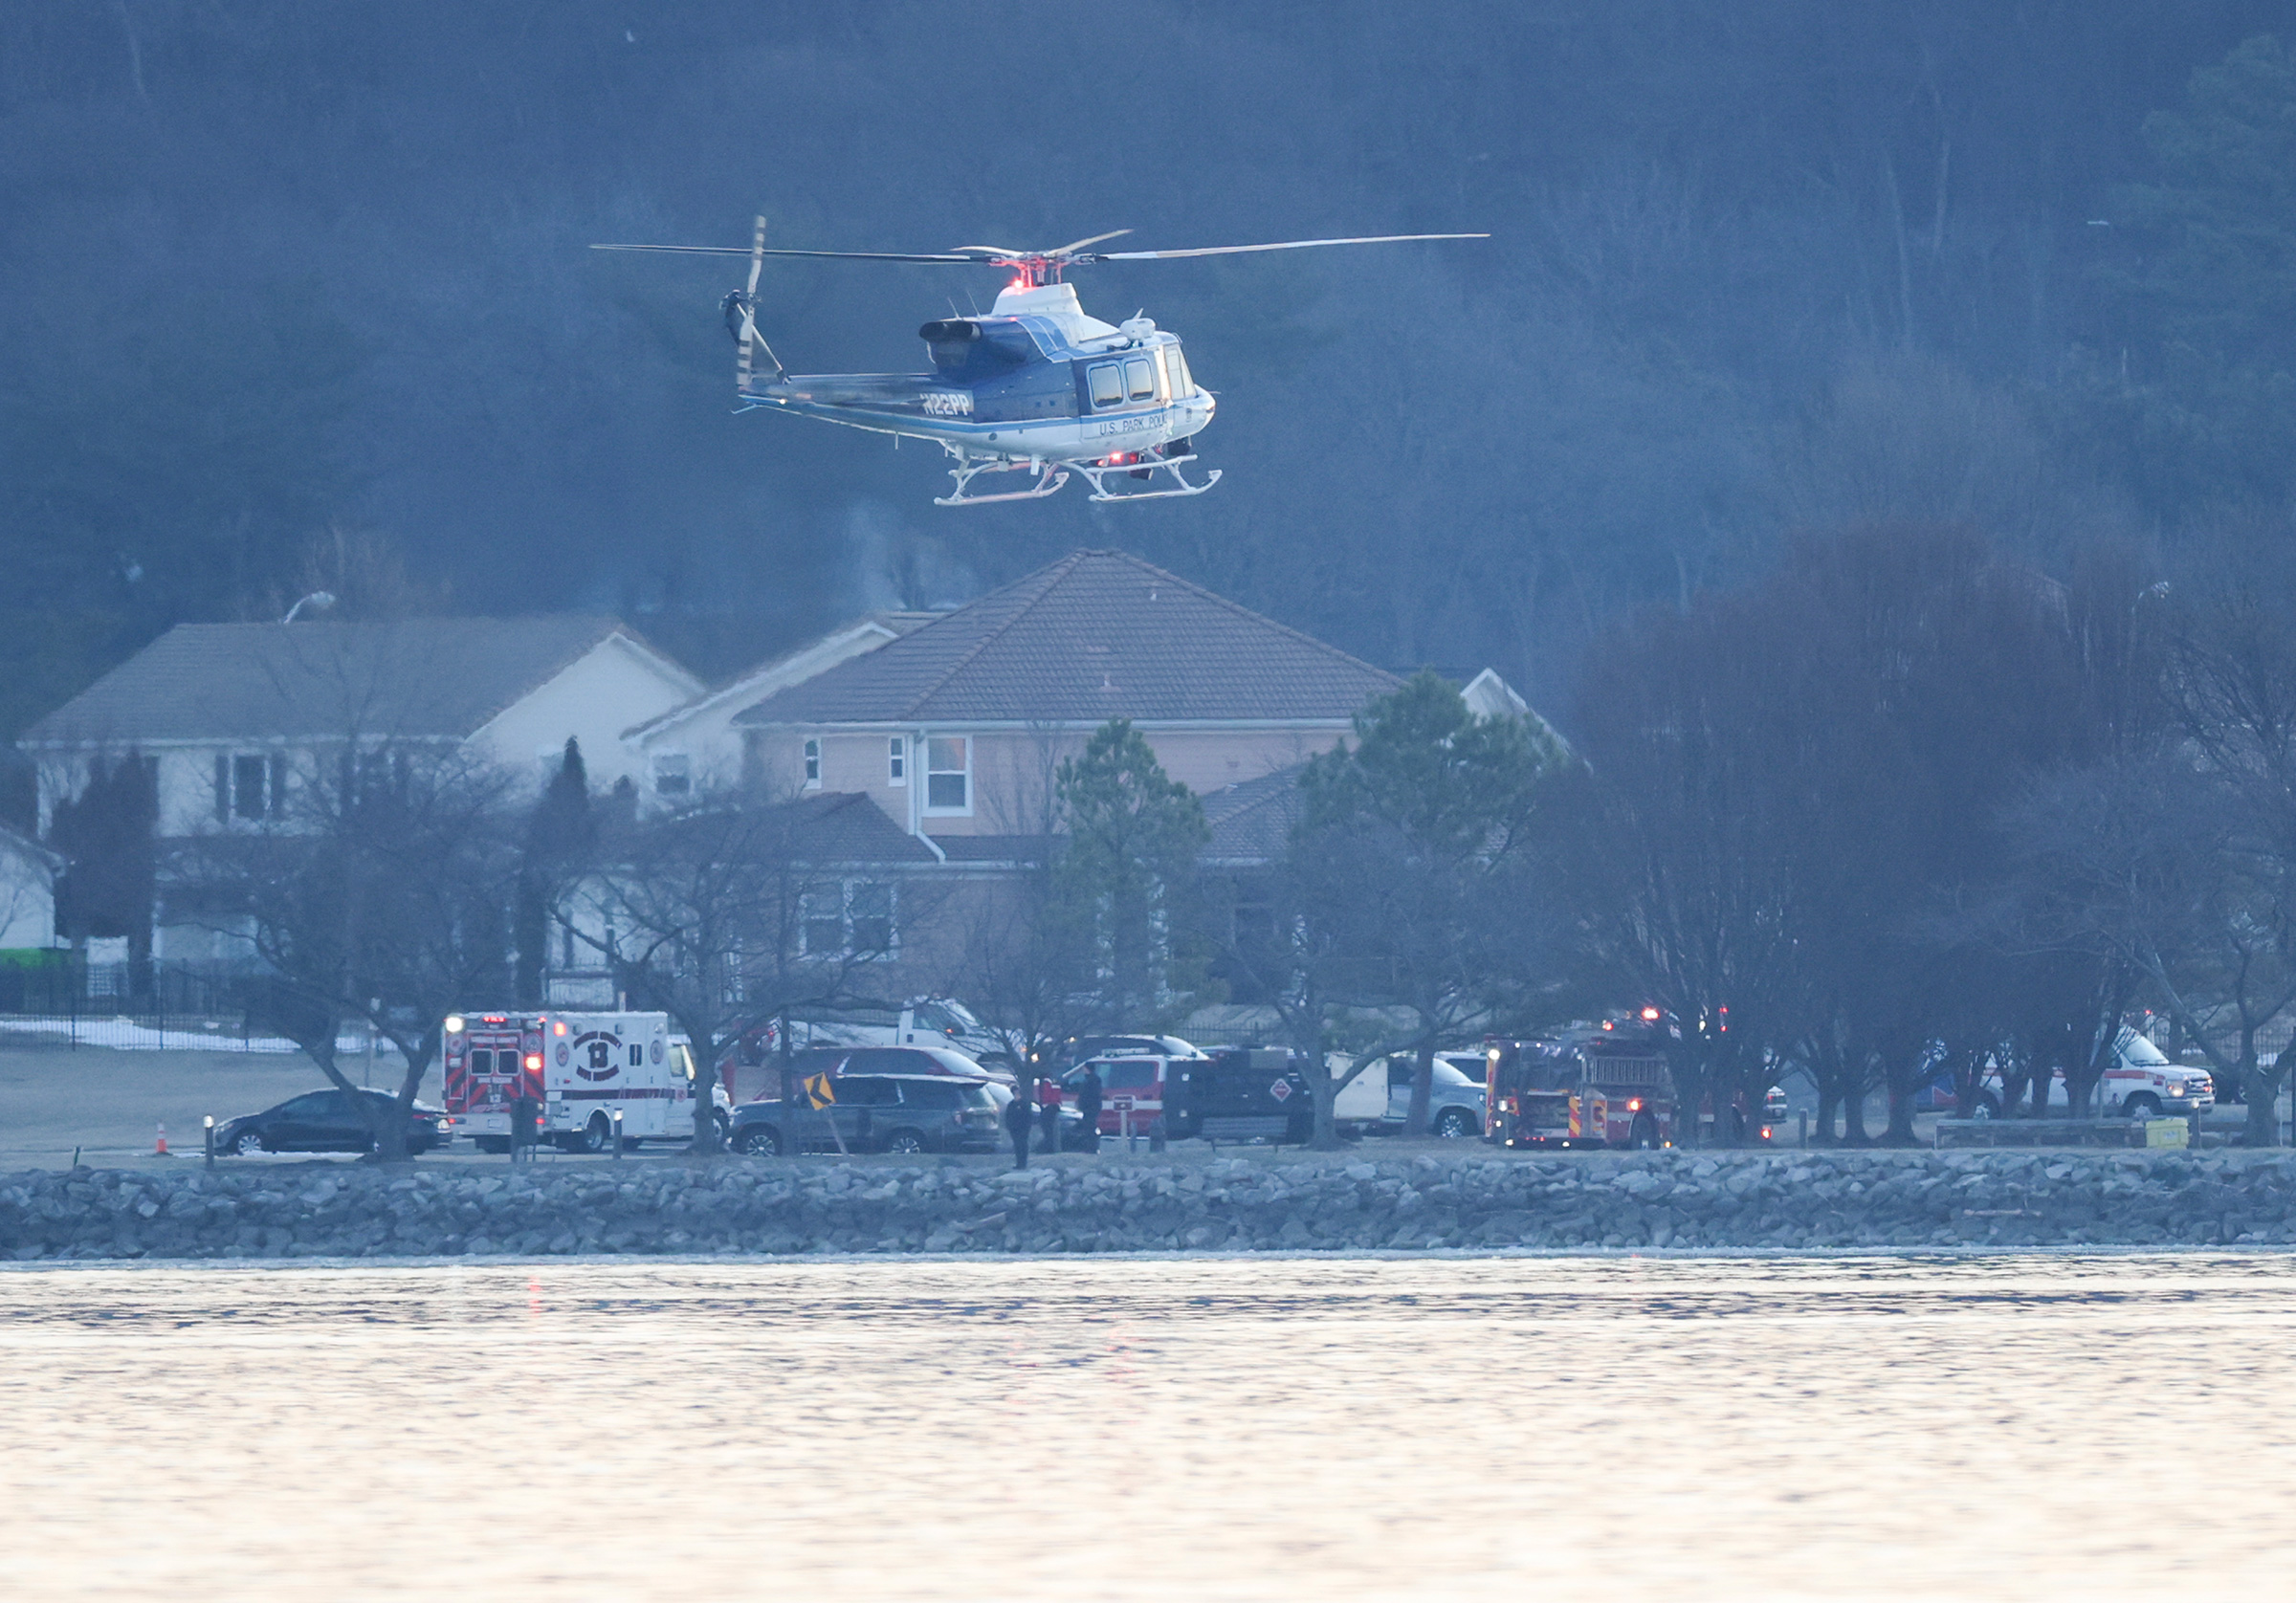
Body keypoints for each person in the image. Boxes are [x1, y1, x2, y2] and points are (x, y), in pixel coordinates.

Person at [1072, 1069, 1104, 1153]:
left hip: (1090, 1108)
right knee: (1089, 1127)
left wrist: (1083, 1104)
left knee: (1089, 1127)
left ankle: (1091, 1148)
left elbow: (1088, 1095)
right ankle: (1090, 1147)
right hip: (1091, 1107)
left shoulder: (1091, 1080)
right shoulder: (1094, 1080)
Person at [1004, 1084, 1035, 1170]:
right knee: (1017, 1146)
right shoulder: (1011, 1105)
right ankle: (1019, 1163)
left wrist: (1027, 1127)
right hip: (1014, 1129)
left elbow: (1029, 1116)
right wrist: (1009, 1126)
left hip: (1023, 1129)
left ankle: (1023, 1163)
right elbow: (1008, 1116)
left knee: (1023, 1145)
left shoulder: (1024, 1104)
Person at [1038, 1076, 1062, 1154]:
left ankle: (1048, 1148)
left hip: (1049, 1108)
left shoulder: (1046, 1082)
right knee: (1051, 1129)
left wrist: (1044, 1105)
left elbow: (1046, 1095)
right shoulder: (1054, 1080)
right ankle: (1051, 1148)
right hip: (1053, 1107)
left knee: (1048, 1129)